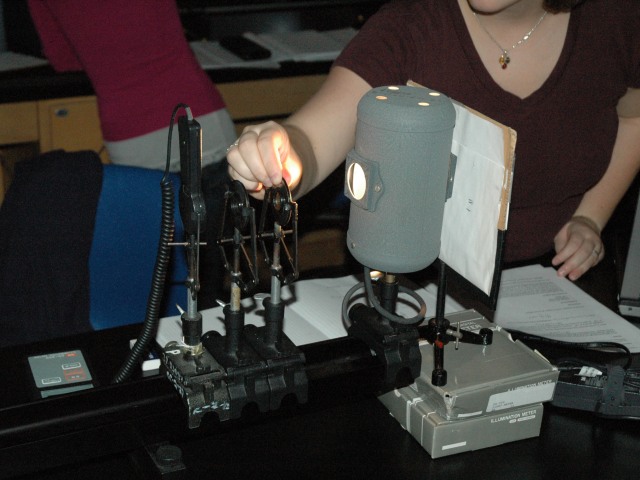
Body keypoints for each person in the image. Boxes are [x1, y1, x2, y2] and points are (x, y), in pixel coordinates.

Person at [227, 0, 640, 282]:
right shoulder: (411, 24)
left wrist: (591, 217)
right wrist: (274, 153)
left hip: (563, 284)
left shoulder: (617, 18)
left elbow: (634, 115)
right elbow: (312, 141)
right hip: (423, 289)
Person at [27, 0, 237, 306]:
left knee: (155, 288)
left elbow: (63, 59)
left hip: (130, 135)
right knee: (218, 286)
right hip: (200, 117)